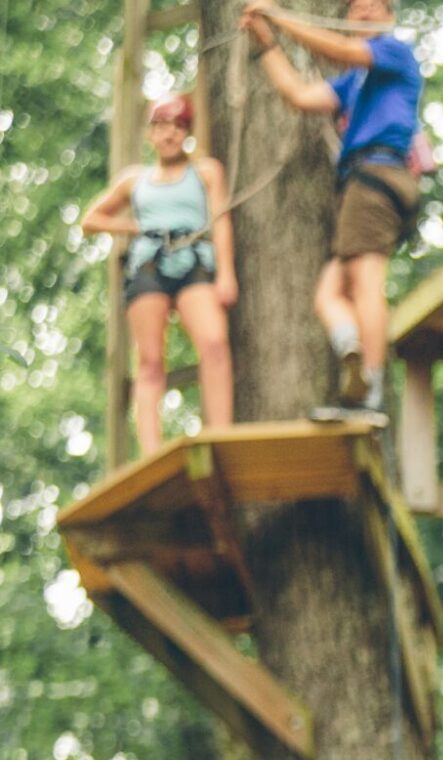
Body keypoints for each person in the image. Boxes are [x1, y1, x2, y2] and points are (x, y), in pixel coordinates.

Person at [241, 0, 423, 425]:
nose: (362, 11)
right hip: (362, 185)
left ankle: (372, 392)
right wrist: (267, 43)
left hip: (377, 176)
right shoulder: (355, 83)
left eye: (373, 5)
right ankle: (355, 357)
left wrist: (280, 16)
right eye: (355, 7)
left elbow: (338, 51)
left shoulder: (394, 52)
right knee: (328, 295)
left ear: (389, 15)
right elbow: (300, 95)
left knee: (364, 283)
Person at [80, 96, 237, 454]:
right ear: (151, 133)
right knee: (150, 362)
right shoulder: (135, 181)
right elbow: (90, 220)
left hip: (195, 263)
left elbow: (222, 221)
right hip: (149, 267)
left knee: (214, 343)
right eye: (162, 126)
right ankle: (152, 452)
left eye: (178, 127)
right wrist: (134, 228)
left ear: (186, 133)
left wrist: (226, 274)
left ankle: (221, 436)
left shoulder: (206, 171)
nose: (170, 134)